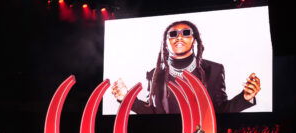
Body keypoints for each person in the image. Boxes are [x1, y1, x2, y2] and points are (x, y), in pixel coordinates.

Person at [111, 20, 261, 114]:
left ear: (194, 39)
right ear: (167, 41)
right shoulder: (155, 74)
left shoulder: (214, 70)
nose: (179, 37)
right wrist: (126, 98)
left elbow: (220, 110)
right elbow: (153, 112)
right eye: (173, 34)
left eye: (186, 33)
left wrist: (245, 98)